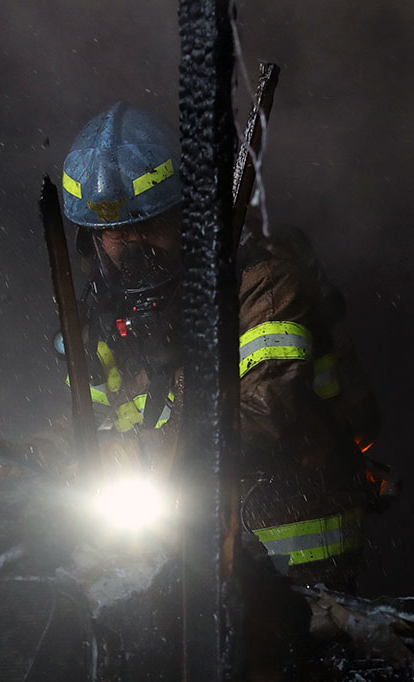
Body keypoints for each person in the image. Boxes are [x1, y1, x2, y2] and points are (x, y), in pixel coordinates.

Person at [56, 101, 381, 589]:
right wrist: (26, 458)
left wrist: (127, 458)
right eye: (115, 234)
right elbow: (91, 420)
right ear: (93, 241)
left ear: (190, 217)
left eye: (149, 226)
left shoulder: (261, 284)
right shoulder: (106, 319)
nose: (132, 246)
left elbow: (266, 410)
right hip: (182, 562)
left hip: (298, 564)